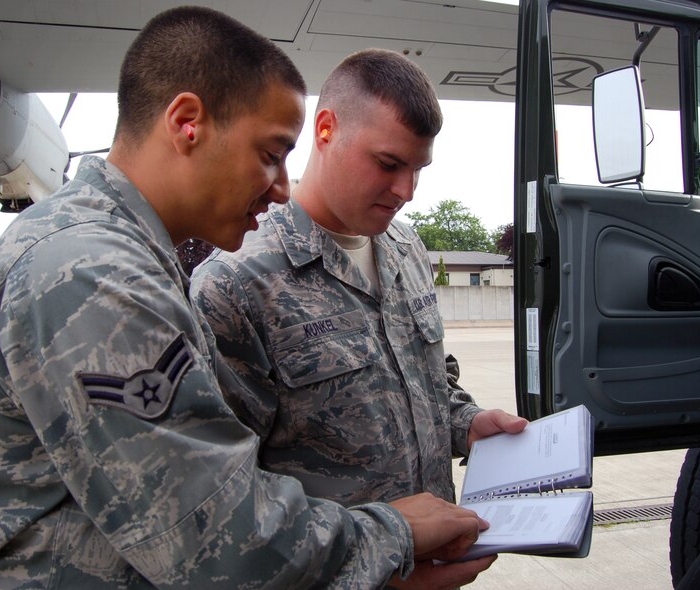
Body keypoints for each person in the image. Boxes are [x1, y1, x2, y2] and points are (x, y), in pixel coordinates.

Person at [0, 9, 494, 589]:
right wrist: (394, 538)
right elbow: (219, 543)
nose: (281, 187)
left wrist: (465, 424)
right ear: (187, 123)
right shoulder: (93, 274)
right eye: (270, 153)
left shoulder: (123, 257)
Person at [189, 48, 527, 583]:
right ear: (325, 129)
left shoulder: (405, 247)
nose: (406, 193)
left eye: (418, 170)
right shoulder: (237, 283)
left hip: (440, 564)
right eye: (389, 164)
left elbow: (429, 380)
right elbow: (226, 499)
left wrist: (468, 423)